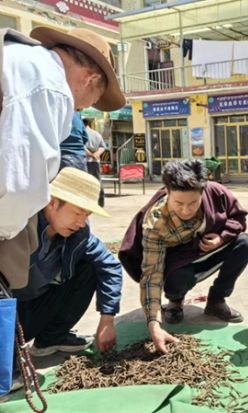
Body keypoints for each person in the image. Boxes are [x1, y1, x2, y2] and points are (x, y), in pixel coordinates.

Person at [0, 26, 125, 291]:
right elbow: (19, 185)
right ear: (90, 79)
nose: (80, 109)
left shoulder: (17, 57)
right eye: (89, 103)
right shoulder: (50, 86)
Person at [118, 160, 248, 354]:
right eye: (178, 203)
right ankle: (175, 301)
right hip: (176, 265)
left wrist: (221, 238)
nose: (186, 210)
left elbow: (238, 218)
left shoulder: (216, 192)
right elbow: (151, 275)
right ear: (167, 192)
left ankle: (216, 301)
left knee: (245, 243)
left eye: (193, 203)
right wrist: (154, 325)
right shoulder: (155, 223)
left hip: (207, 250)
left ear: (203, 191)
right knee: (178, 279)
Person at [11, 167, 122, 356]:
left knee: (89, 268)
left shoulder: (79, 235)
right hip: (10, 312)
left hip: (36, 306)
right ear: (52, 203)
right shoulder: (17, 226)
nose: (81, 222)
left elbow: (110, 266)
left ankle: (52, 338)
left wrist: (107, 318)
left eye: (86, 216)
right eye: (78, 213)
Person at [84, 118, 106, 207]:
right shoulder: (97, 134)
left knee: (85, 182)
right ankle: (101, 202)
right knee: (97, 181)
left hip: (85, 161)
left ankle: (87, 202)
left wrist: (90, 154)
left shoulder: (81, 133)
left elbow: (81, 146)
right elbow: (102, 147)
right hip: (95, 162)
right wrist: (96, 154)